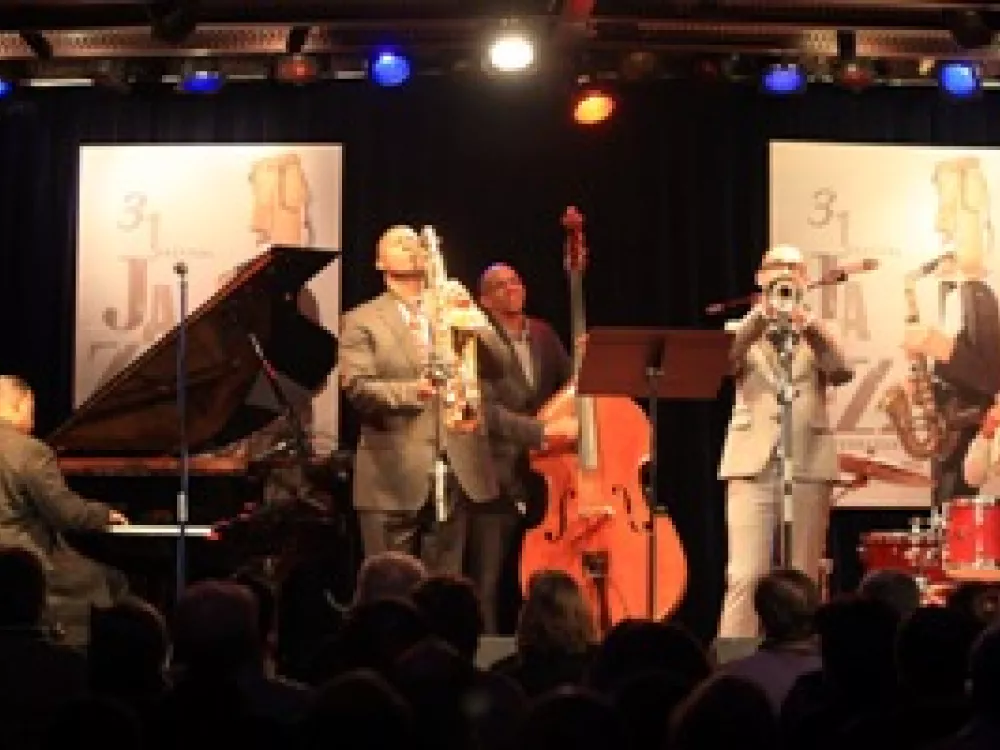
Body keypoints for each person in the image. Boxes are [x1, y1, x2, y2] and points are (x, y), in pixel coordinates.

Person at [338, 225, 510, 577]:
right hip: (391, 478)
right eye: (398, 241)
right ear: (379, 263)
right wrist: (415, 391)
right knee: (389, 587)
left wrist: (476, 319)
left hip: (454, 470)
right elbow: (357, 387)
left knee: (444, 588)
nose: (410, 245)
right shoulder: (361, 320)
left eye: (414, 241)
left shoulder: (449, 308)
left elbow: (500, 365)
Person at [717, 245, 853, 639]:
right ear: (760, 278)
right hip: (752, 464)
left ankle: (804, 658)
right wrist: (761, 317)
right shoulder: (740, 328)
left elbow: (841, 370)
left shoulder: (820, 329)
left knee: (803, 576)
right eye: (778, 267)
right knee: (745, 575)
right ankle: (735, 661)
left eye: (795, 268)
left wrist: (808, 326)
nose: (786, 274)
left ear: (805, 280)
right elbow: (724, 363)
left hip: (808, 462)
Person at [474, 262, 576, 634]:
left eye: (515, 281)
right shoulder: (477, 340)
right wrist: (541, 431)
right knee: (489, 578)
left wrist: (586, 365)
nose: (511, 288)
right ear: (484, 300)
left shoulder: (544, 334)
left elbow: (570, 388)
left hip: (548, 474)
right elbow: (484, 411)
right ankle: (487, 649)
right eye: (500, 286)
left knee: (549, 575)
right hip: (498, 474)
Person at [0, 375, 129, 644]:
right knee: (110, 580)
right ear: (19, 404)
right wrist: (104, 514)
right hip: (25, 563)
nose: (33, 421)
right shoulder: (30, 451)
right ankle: (76, 655)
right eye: (31, 411)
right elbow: (65, 513)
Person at [903, 156, 1000, 505]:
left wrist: (941, 348)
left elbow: (991, 377)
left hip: (976, 432)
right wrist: (925, 381)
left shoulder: (982, 292)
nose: (940, 227)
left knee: (965, 518)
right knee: (945, 517)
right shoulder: (952, 290)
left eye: (951, 218)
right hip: (949, 426)